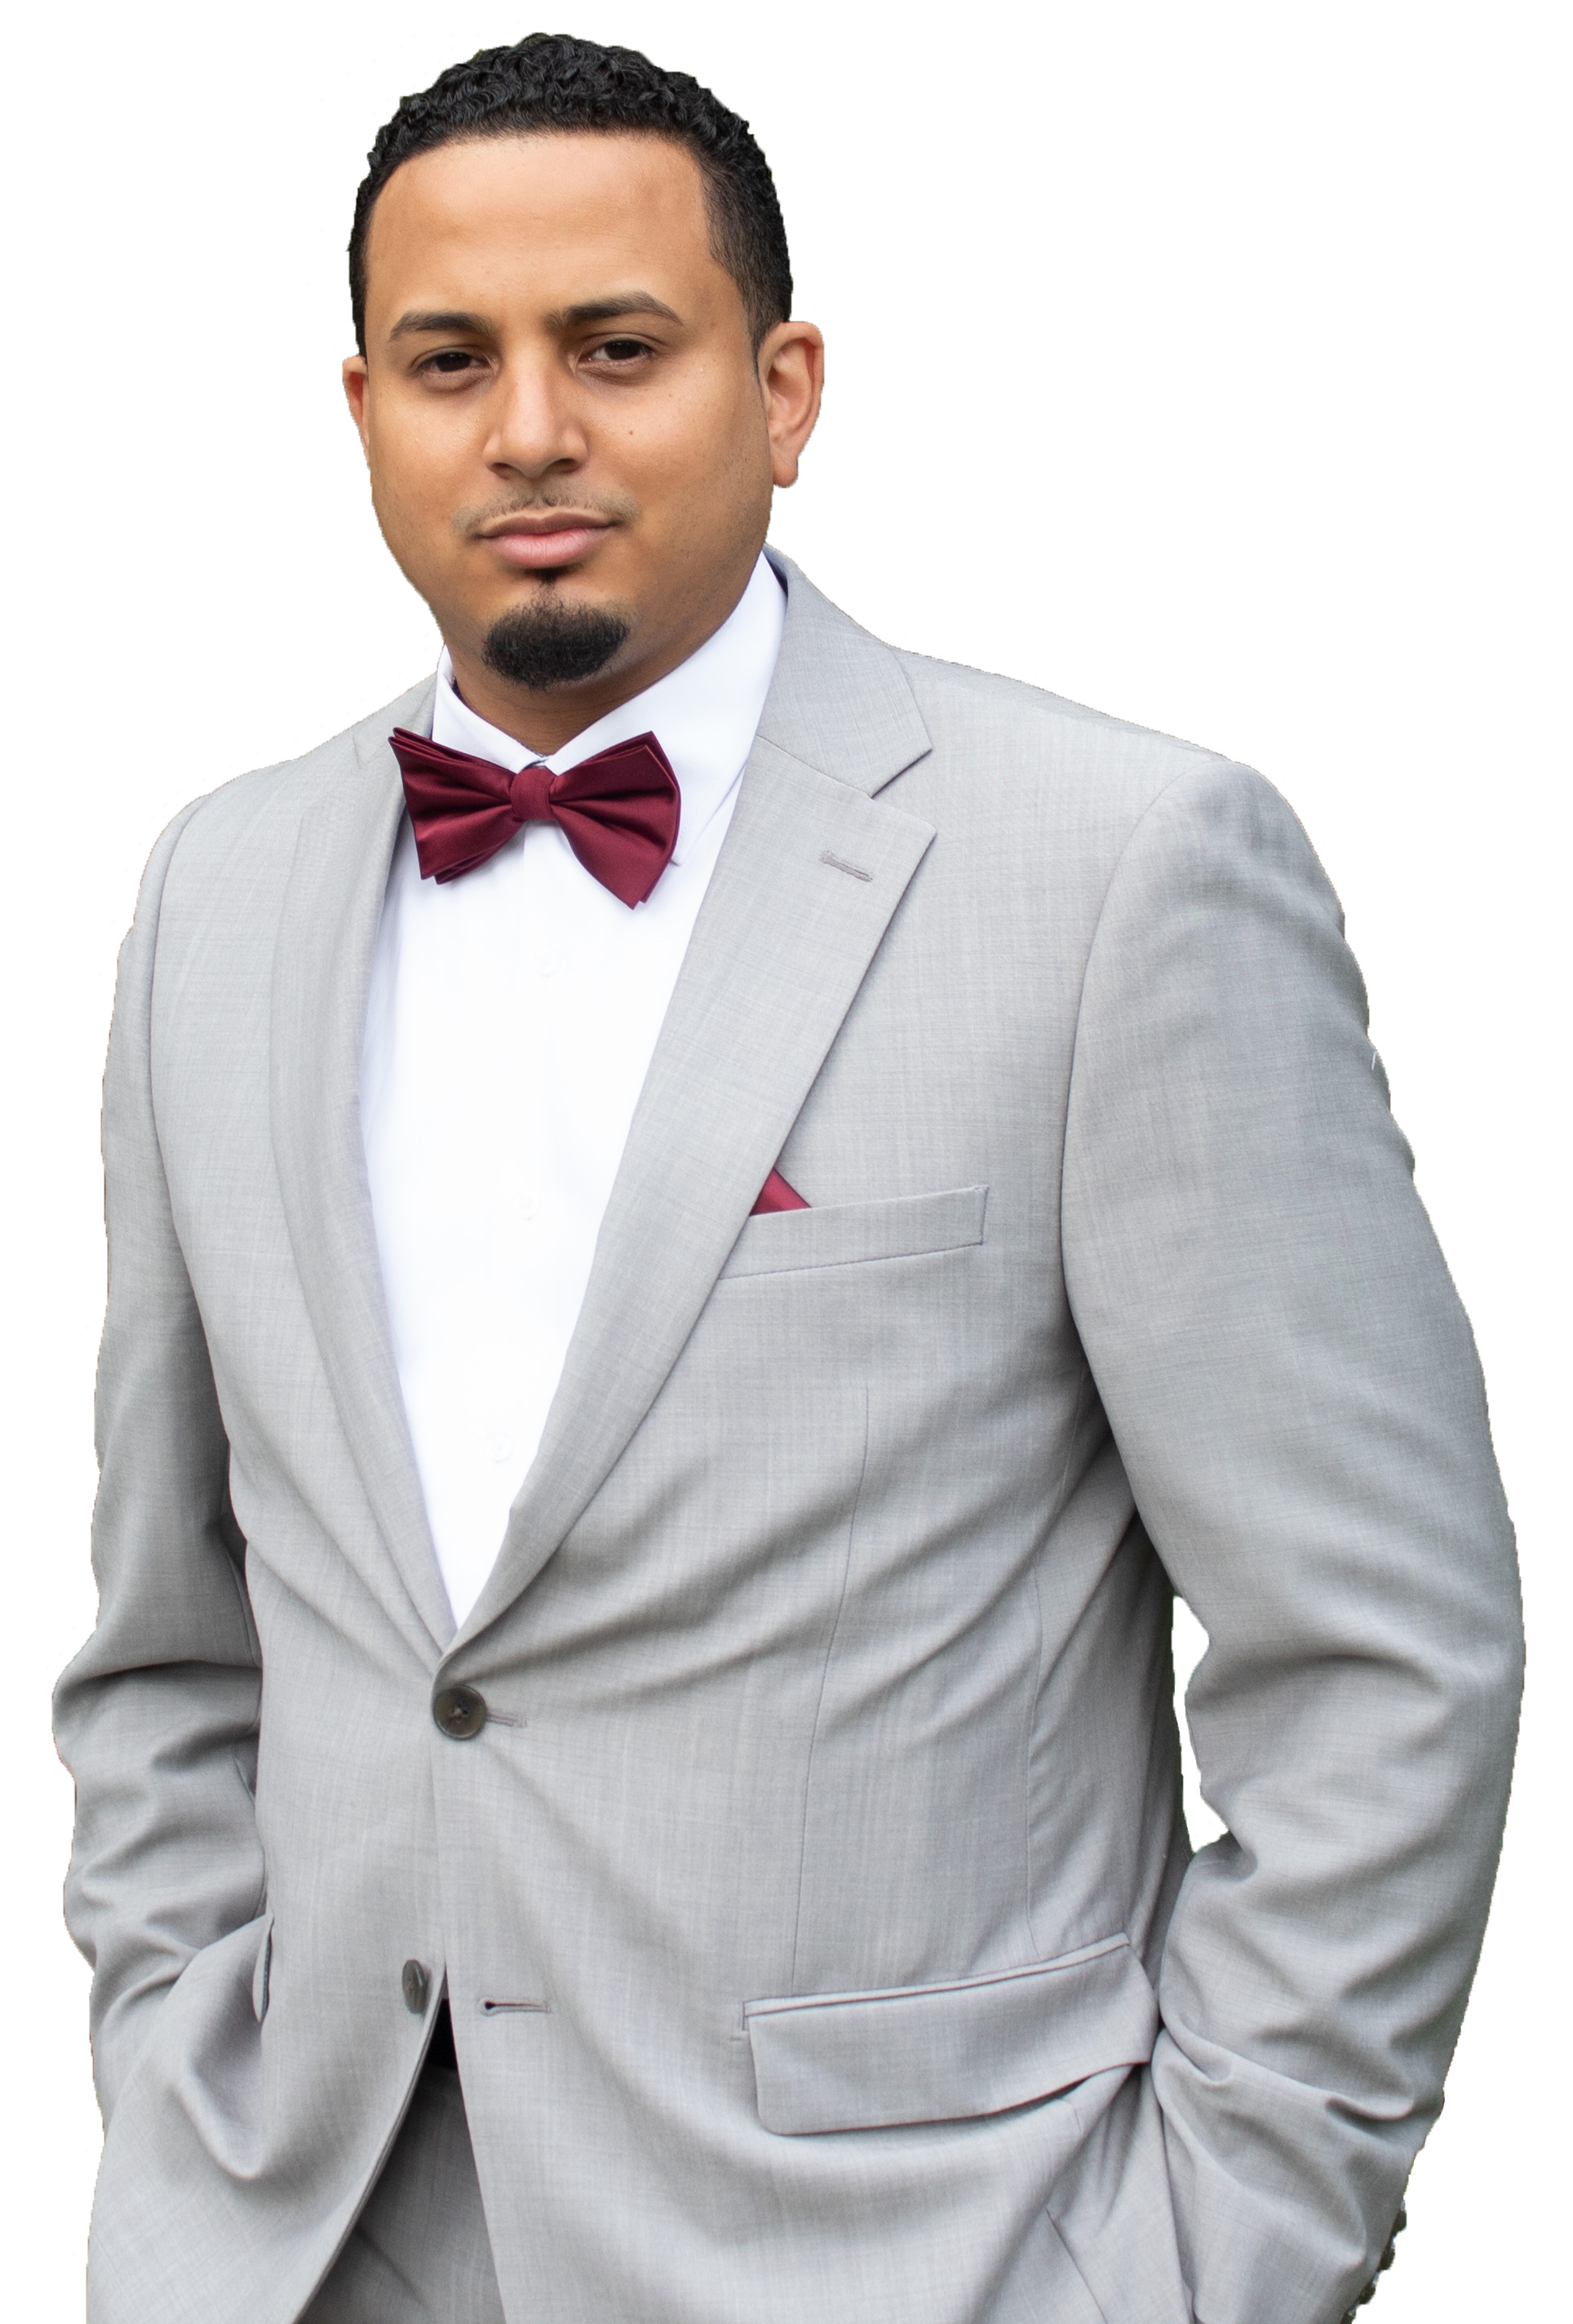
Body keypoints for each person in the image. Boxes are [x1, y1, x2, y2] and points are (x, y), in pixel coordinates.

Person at [53, 31, 1522, 2324]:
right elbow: (171, 1636)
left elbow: (1385, 1660)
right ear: (363, 414)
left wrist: (1208, 2265)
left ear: (786, 388)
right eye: (451, 361)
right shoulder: (215, 894)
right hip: (295, 2250)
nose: (529, 429)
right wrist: (174, 2077)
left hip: (914, 2265)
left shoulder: (1119, 871)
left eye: (615, 347)